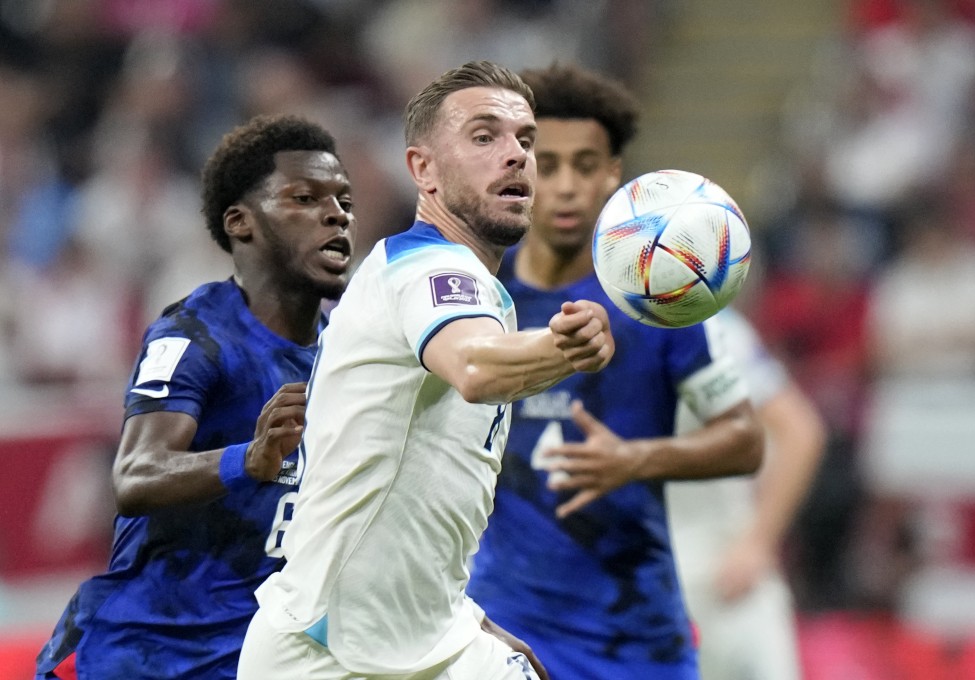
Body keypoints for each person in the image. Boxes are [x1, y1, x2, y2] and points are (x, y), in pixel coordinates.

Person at [238, 60, 614, 680]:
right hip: (327, 657)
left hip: (428, 643)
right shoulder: (427, 271)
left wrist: (469, 623)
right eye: (485, 136)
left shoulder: (474, 292)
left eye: (526, 140)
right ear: (423, 169)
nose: (517, 155)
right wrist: (564, 347)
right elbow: (473, 367)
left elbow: (420, 497)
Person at [465, 62, 764, 680]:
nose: (568, 186)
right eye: (547, 164)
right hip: (500, 630)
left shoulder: (657, 303)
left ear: (614, 176)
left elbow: (747, 440)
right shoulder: (476, 295)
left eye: (586, 164)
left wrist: (637, 460)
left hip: (636, 638)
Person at [34, 114, 357, 680]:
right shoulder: (196, 335)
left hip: (273, 654)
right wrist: (247, 460)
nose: (336, 214)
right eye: (304, 198)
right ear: (241, 223)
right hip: (158, 654)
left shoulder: (350, 354)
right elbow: (135, 475)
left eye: (343, 200)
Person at [667, 307, 826, 680]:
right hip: (641, 582)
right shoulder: (582, 327)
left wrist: (757, 543)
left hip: (722, 577)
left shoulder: (713, 328)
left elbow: (800, 431)